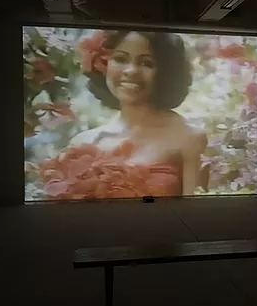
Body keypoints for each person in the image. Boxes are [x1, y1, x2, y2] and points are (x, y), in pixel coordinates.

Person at [68, 30, 207, 198]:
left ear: (165, 73)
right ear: (102, 65)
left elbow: (195, 216)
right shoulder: (83, 143)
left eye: (147, 63)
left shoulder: (188, 137)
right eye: (120, 59)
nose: (132, 71)